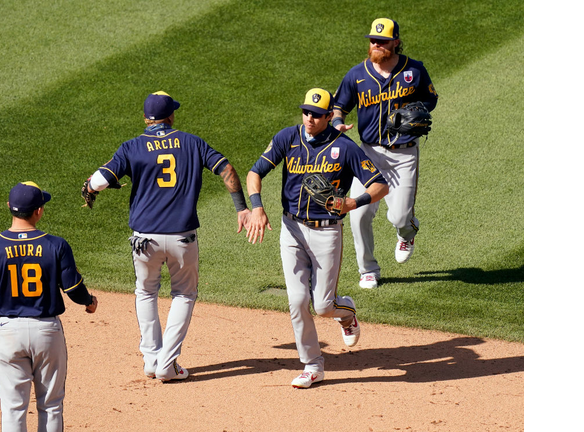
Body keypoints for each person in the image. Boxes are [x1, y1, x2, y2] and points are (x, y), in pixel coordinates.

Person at [83, 91, 251, 382]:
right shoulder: (191, 142)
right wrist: (241, 208)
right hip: (182, 238)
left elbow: (97, 182)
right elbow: (227, 169)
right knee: (184, 294)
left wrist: (90, 188)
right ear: (170, 116)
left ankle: (151, 359)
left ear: (146, 118)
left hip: (143, 240)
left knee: (146, 292)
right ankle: (167, 364)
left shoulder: (131, 147)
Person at [245, 88, 389, 388]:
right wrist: (257, 206)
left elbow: (380, 185)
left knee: (323, 306)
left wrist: (352, 203)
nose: (310, 118)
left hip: (326, 232)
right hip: (292, 229)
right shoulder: (288, 137)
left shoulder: (345, 148)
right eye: (306, 112)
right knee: (297, 301)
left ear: (328, 116)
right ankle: (313, 364)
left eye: (317, 114)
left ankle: (346, 313)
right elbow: (254, 173)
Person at [0, 181, 98, 432]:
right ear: (39, 211)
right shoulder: (56, 245)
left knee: (13, 408)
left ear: (9, 207)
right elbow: (73, 289)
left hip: (8, 332)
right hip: (46, 332)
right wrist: (90, 302)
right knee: (51, 405)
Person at [332, 18, 439, 289]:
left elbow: (430, 99)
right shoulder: (356, 74)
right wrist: (337, 124)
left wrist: (417, 111)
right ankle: (368, 269)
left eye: (382, 40)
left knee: (399, 217)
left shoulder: (414, 70)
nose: (376, 44)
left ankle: (407, 232)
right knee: (358, 213)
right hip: (367, 154)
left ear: (396, 42)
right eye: (372, 40)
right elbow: (338, 107)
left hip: (403, 155)